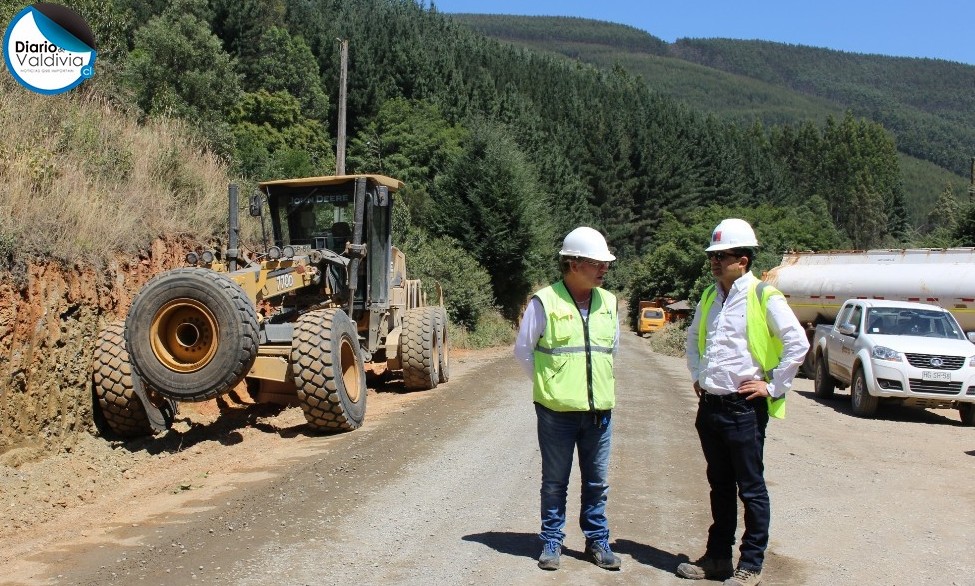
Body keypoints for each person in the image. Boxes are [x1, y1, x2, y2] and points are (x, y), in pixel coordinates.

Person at [680, 218, 809, 586]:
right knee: (719, 486)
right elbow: (693, 340)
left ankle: (750, 564)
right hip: (712, 407)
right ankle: (717, 558)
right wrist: (697, 375)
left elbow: (797, 343)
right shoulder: (709, 296)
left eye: (723, 256)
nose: (715, 262)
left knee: (750, 488)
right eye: (713, 256)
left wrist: (773, 387)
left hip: (743, 409)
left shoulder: (762, 296)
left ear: (744, 260)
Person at [513, 226, 621, 572]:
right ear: (573, 264)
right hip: (557, 412)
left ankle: (597, 540)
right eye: (597, 263)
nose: (604, 268)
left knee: (596, 482)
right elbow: (523, 351)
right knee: (555, 480)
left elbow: (611, 351)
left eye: (606, 263)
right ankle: (551, 541)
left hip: (599, 412)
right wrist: (550, 387)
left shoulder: (610, 302)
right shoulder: (545, 301)